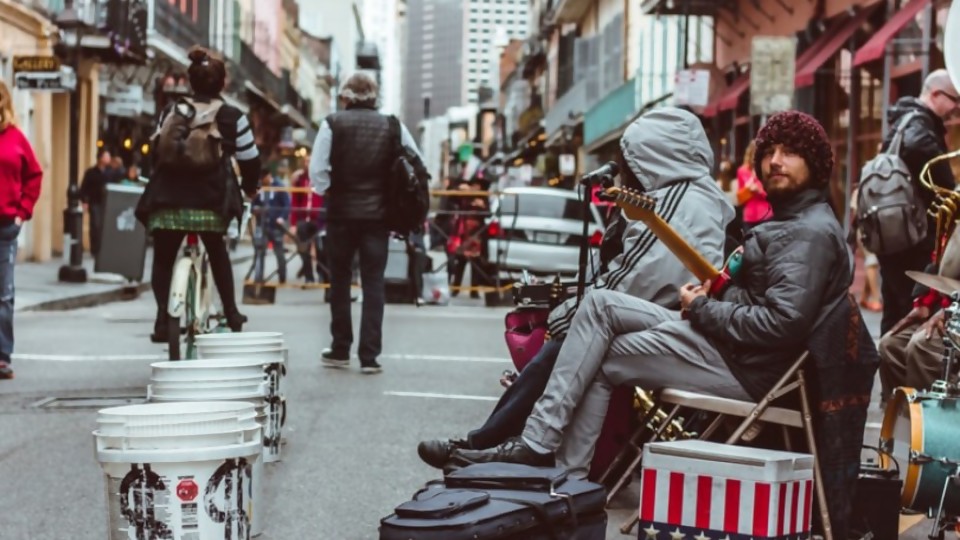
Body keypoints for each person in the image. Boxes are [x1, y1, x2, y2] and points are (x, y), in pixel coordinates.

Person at [449, 111, 852, 481]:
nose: (776, 161)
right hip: (731, 344)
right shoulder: (790, 221)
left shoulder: (808, 232)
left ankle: (558, 471)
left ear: (815, 164)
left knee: (600, 353)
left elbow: (782, 324)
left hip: (747, 365)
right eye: (770, 152)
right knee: (598, 308)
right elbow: (760, 302)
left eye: (791, 153)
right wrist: (716, 293)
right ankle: (546, 456)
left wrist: (704, 307)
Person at [418, 107, 734, 467]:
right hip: (665, 317)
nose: (621, 166)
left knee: (566, 343)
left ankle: (500, 445)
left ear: (652, 157)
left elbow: (635, 281)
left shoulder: (681, 201)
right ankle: (543, 461)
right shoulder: (684, 197)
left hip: (675, 323)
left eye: (627, 157)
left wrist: (567, 314)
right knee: (573, 344)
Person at [136, 46, 260, 342]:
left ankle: (161, 320)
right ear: (223, 83)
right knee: (217, 252)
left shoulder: (172, 111)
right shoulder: (233, 116)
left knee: (164, 258)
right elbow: (250, 160)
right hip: (211, 199)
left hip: (167, 197)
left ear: (190, 81)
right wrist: (249, 188)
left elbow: (155, 151)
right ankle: (231, 312)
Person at [308, 72, 424, 374]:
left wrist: (330, 189)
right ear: (375, 97)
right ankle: (370, 356)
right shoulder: (392, 126)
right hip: (377, 216)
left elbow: (318, 171)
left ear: (345, 96)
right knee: (374, 283)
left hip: (341, 215)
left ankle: (340, 348)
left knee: (340, 281)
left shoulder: (332, 123)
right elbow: (416, 162)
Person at [876, 69, 959, 335]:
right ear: (935, 94)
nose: (957, 107)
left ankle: (891, 366)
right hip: (912, 237)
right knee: (908, 311)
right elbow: (917, 147)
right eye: (954, 99)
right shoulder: (919, 125)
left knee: (895, 311)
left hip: (894, 233)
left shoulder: (901, 120)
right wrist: (951, 189)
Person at [0, 80, 43, 380]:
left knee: (3, 293)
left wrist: (22, 213)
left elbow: (34, 174)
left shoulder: (15, 138)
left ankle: (2, 356)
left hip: (5, 225)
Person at [290, 154, 326, 284]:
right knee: (303, 249)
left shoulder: (323, 179)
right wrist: (293, 223)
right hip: (303, 219)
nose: (308, 164)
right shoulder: (300, 180)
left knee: (321, 249)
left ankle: (322, 274)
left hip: (319, 220)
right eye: (306, 161)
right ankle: (308, 276)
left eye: (311, 161)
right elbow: (295, 201)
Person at [252, 168, 291, 284]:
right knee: (259, 251)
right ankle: (258, 277)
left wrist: (282, 217)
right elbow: (254, 203)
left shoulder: (279, 186)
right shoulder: (259, 188)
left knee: (279, 252)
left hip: (276, 224)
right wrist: (255, 209)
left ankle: (282, 276)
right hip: (262, 223)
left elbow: (286, 204)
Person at [79, 149, 113, 260]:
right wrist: (84, 201)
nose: (108, 158)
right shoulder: (91, 173)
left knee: (105, 226)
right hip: (94, 202)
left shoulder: (110, 172)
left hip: (107, 203)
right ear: (100, 158)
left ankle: (103, 249)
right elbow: (84, 188)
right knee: (95, 225)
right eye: (106, 156)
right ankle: (95, 249)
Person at [736, 140, 772, 229]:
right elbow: (740, 198)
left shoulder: (767, 169)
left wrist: (759, 191)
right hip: (749, 216)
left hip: (765, 214)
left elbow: (773, 194)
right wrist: (747, 189)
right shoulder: (742, 171)